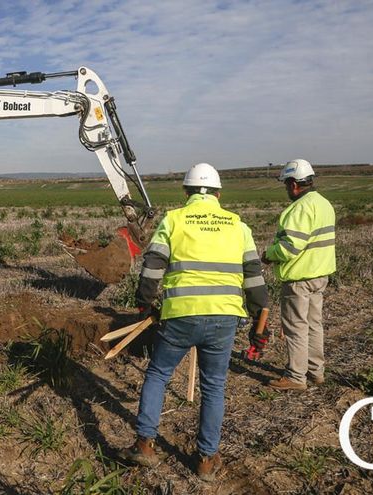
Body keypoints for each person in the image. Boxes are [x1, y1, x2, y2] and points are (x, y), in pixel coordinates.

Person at [122, 163, 268, 481]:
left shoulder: (174, 220)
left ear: (186, 192)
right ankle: (205, 460)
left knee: (159, 374)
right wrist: (260, 315)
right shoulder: (238, 225)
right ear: (218, 193)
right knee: (214, 387)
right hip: (225, 316)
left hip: (181, 314)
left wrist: (144, 302)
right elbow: (254, 277)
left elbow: (154, 263)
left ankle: (144, 445)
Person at [262, 159, 336, 390]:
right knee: (314, 324)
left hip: (299, 278)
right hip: (320, 275)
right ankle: (316, 371)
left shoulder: (299, 208)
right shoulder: (324, 204)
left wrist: (269, 255)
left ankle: (296, 377)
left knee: (296, 328)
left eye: (286, 184)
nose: (286, 189)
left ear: (294, 184)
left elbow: (290, 247)